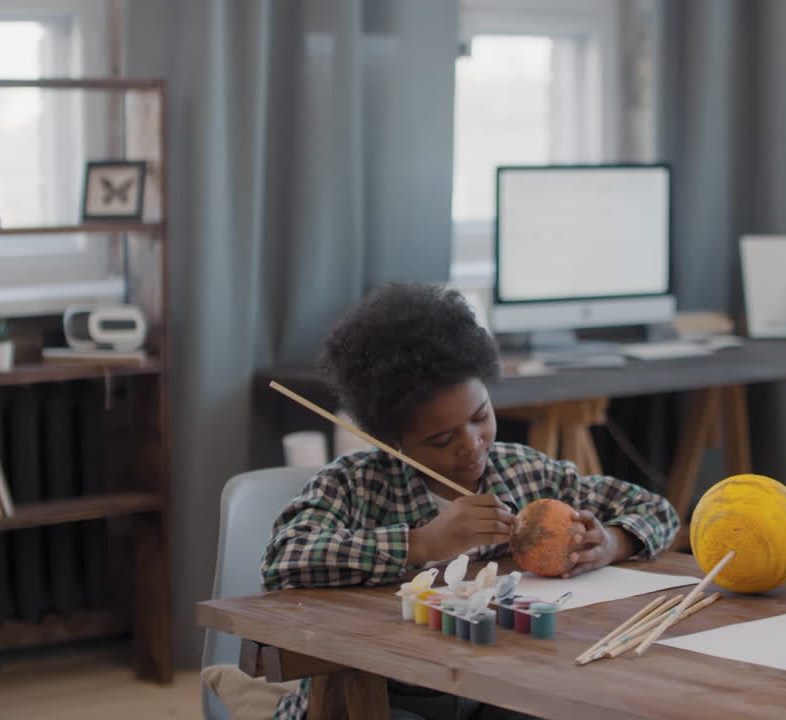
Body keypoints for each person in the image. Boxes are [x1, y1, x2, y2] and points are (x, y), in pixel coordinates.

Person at [260, 282, 679, 720]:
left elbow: (656, 510)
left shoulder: (524, 473)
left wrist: (612, 542)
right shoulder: (356, 484)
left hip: (493, 684)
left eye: (480, 417)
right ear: (392, 439)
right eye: (441, 439)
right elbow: (282, 560)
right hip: (384, 689)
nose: (471, 445)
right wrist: (421, 544)